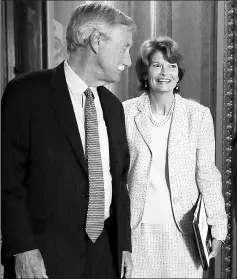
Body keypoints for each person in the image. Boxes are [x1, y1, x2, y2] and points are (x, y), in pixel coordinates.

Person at [1, 3, 136, 279]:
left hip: (104, 258)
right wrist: (23, 249)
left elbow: (118, 182)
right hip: (44, 259)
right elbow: (7, 180)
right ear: (96, 41)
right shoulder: (26, 95)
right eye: (124, 47)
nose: (129, 60)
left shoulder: (113, 107)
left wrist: (123, 245)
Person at [122, 36, 227, 278]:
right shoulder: (125, 112)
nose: (165, 72)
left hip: (185, 234)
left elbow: (208, 175)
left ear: (179, 74)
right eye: (157, 65)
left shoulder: (198, 116)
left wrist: (218, 228)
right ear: (145, 72)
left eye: (172, 66)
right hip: (137, 232)